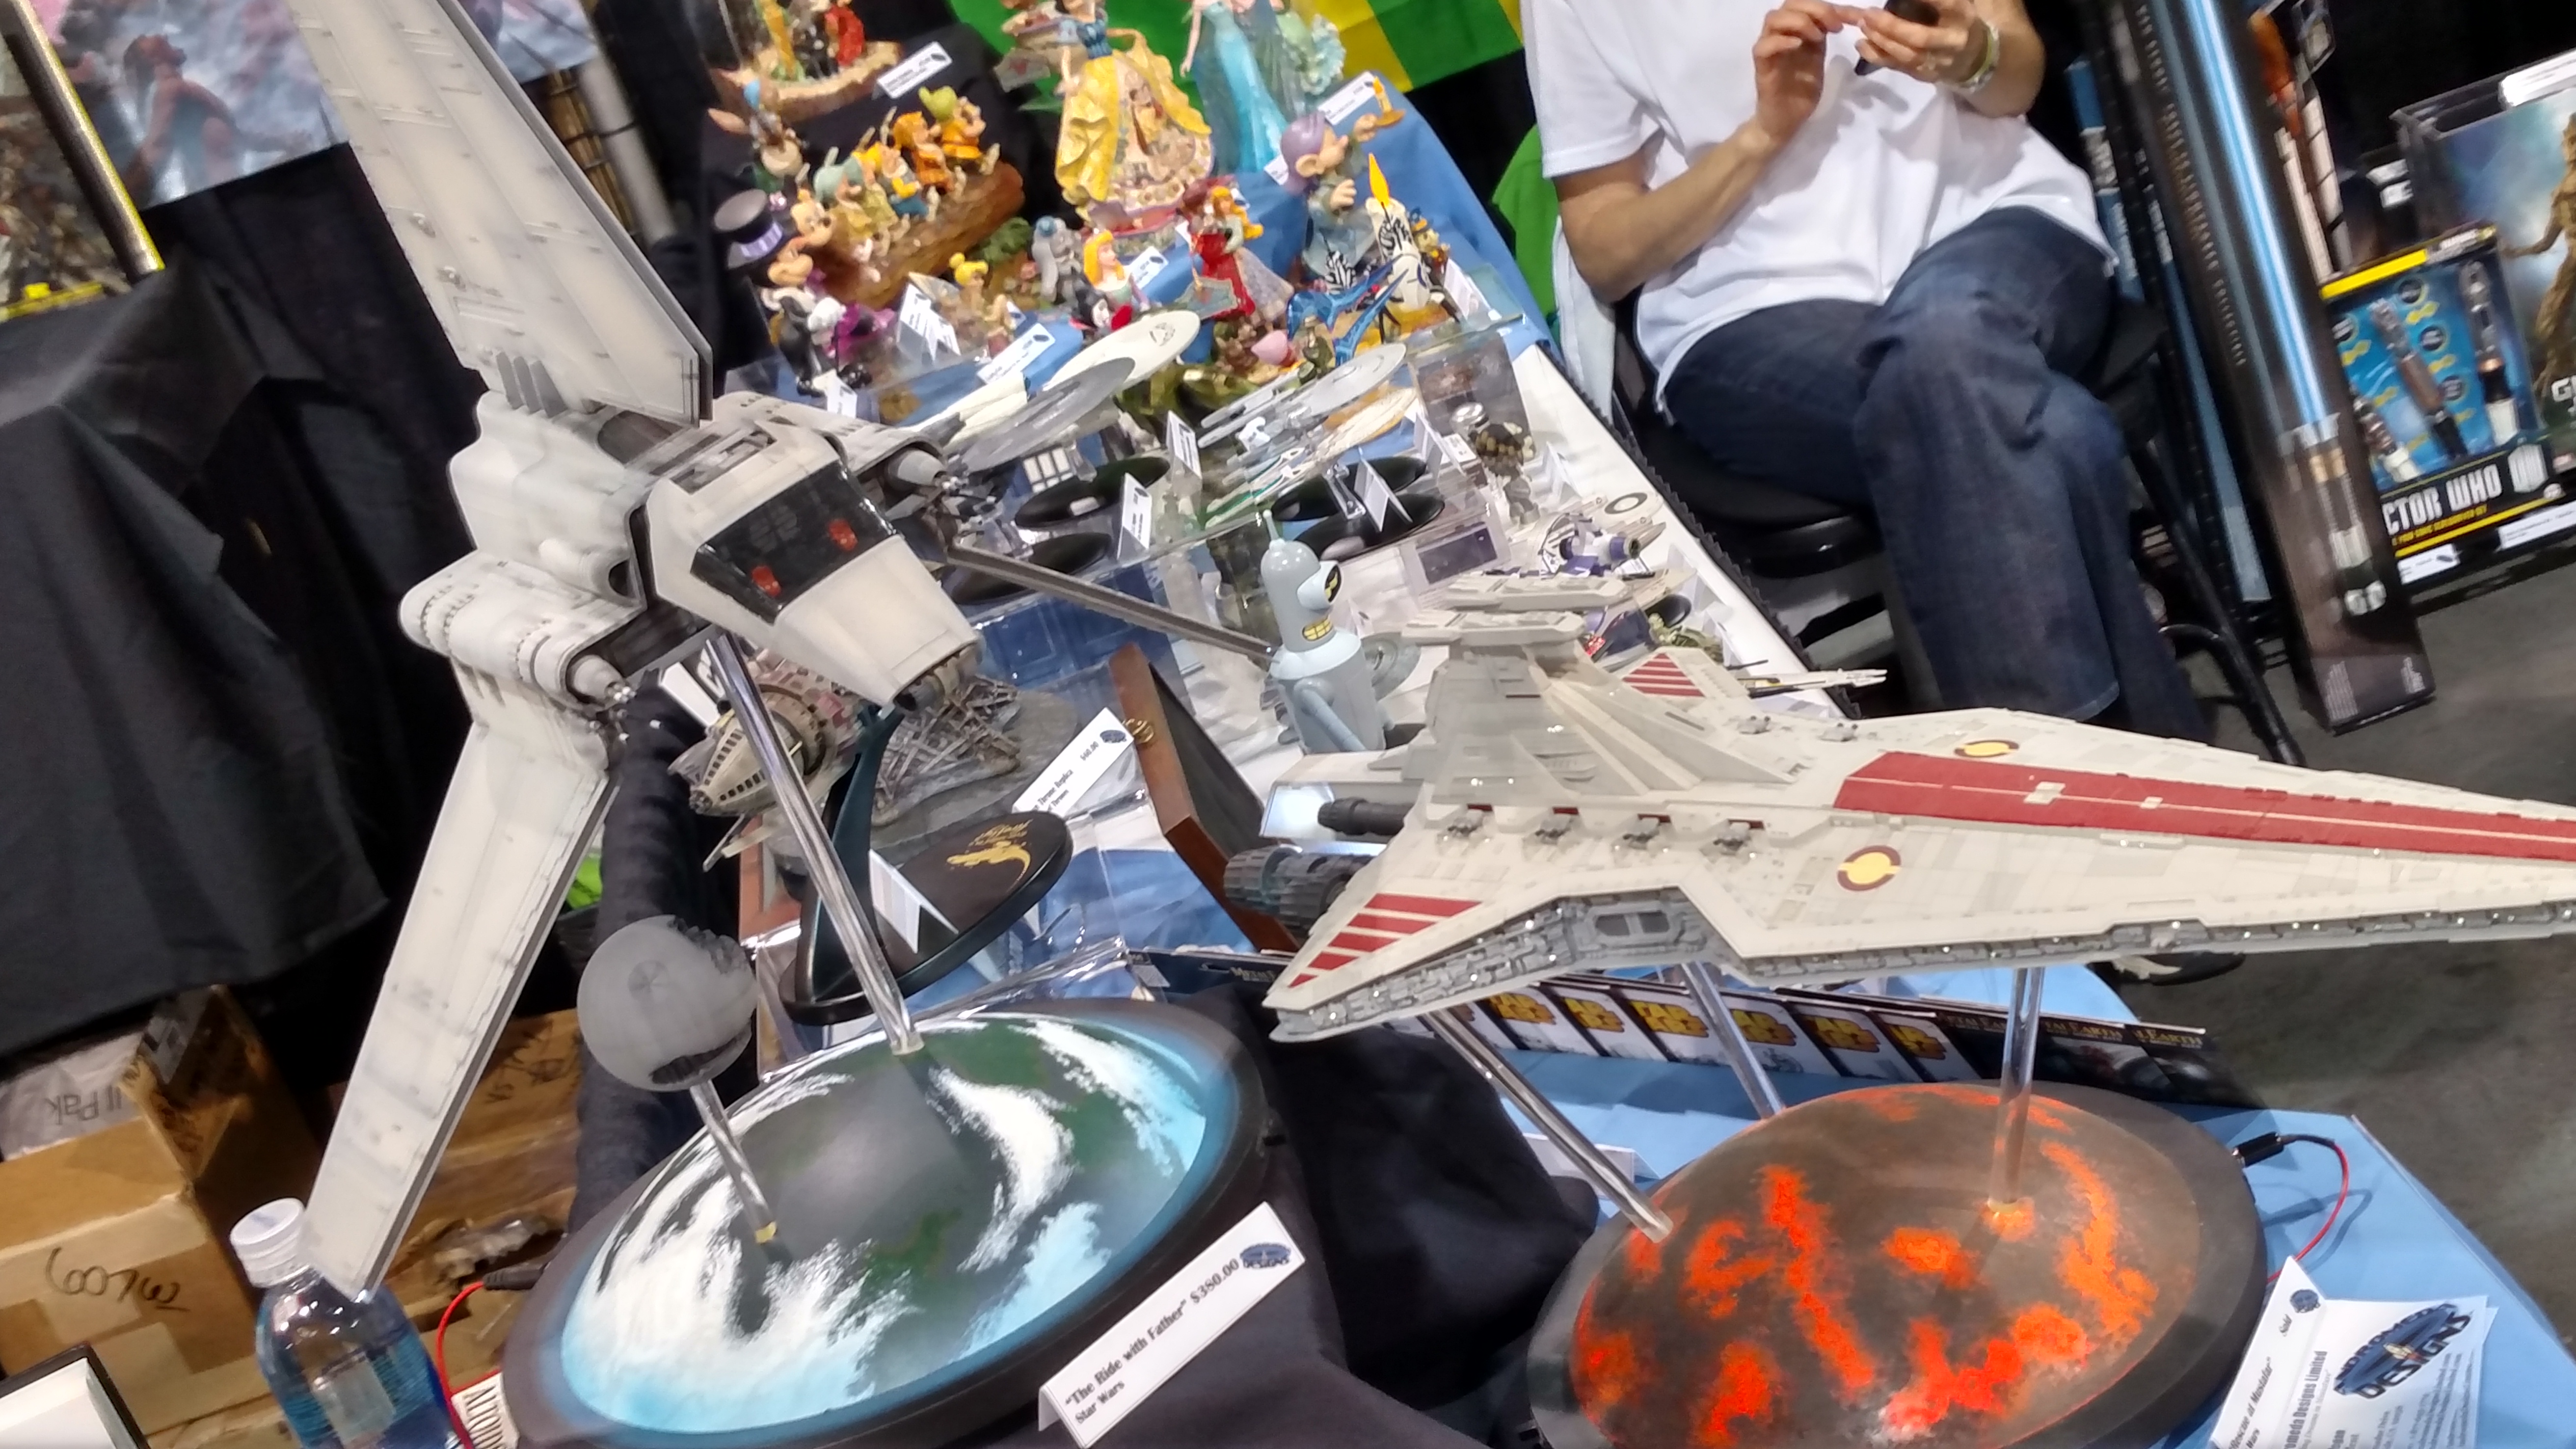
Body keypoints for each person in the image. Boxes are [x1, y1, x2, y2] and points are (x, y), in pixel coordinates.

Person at [1527, 0, 2202, 737]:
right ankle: (2128, 755)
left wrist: (1972, 58)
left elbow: (2018, 75)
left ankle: (2049, 764)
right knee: (2043, 428)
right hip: (1749, 307)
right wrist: (1762, 135)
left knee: (1947, 343)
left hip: (1989, 223)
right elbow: (1605, 251)